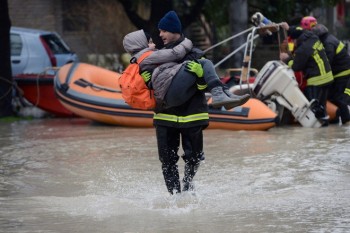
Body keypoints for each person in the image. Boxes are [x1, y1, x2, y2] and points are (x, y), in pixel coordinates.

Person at [122, 30, 250, 110]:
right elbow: (176, 53)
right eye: (150, 42)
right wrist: (186, 41)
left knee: (201, 68)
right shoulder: (147, 56)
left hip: (166, 98)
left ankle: (226, 95)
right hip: (169, 93)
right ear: (140, 44)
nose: (154, 44)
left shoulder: (138, 59)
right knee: (205, 63)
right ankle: (220, 95)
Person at [279, 25, 334, 125]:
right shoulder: (312, 36)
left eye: (293, 41)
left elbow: (296, 66)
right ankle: (324, 132)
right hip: (328, 78)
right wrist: (289, 29)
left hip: (317, 81)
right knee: (322, 108)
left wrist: (286, 59)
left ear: (296, 40)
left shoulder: (302, 49)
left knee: (314, 110)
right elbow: (299, 30)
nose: (293, 44)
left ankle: (317, 131)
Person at [311, 24, 350, 125]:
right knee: (331, 96)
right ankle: (335, 119)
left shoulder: (328, 43)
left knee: (337, 97)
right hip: (340, 71)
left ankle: (346, 120)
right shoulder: (328, 39)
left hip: (342, 73)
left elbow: (327, 62)